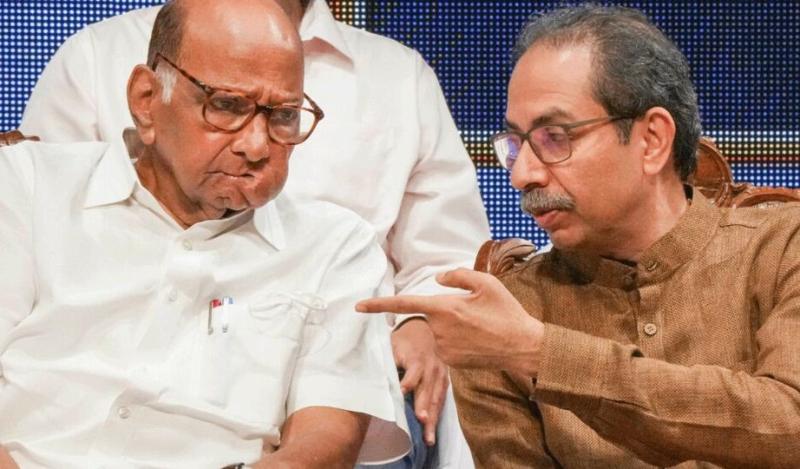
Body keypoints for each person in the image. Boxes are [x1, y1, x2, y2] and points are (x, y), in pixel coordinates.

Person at [18, 1, 489, 466]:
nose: (257, 146)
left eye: (283, 116)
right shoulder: (29, 185)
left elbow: (326, 439)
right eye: (225, 106)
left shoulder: (337, 243)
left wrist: (420, 320)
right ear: (146, 101)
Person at [357, 4, 800, 468]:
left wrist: (540, 353)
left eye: (555, 137)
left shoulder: (781, 248)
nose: (522, 175)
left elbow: (790, 425)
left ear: (652, 140)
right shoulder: (510, 310)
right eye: (516, 145)